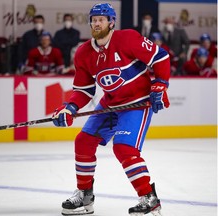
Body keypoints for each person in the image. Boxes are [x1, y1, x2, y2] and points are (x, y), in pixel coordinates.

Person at [52, 3, 170, 216]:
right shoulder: (83, 53)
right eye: (94, 19)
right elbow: (83, 90)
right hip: (110, 104)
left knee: (124, 148)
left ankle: (149, 198)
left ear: (111, 22)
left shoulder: (128, 38)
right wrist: (69, 107)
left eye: (101, 19)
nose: (96, 23)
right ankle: (85, 195)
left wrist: (160, 83)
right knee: (83, 141)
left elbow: (160, 57)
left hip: (138, 102)